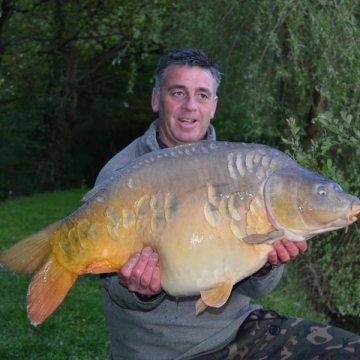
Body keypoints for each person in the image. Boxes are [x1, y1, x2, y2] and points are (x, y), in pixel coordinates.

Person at [95, 48, 360, 359]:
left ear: (214, 105)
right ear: (156, 99)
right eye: (178, 92)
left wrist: (267, 266)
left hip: (237, 333)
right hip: (159, 351)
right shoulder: (121, 175)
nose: (190, 106)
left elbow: (255, 288)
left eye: (202, 95)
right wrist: (137, 289)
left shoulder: (242, 169)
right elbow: (112, 285)